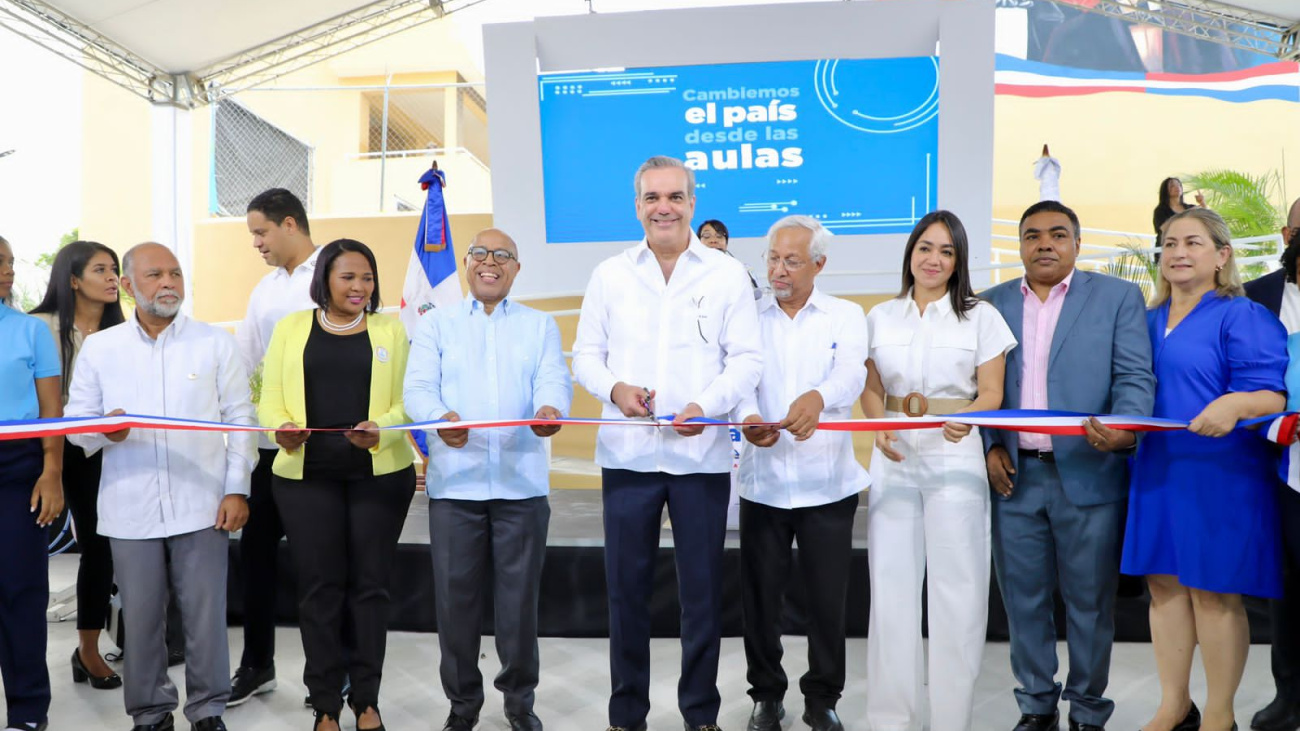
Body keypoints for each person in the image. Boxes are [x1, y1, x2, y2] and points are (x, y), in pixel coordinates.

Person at [572, 155, 763, 731]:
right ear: (637, 206)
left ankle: (699, 715)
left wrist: (706, 407)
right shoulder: (609, 274)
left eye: (675, 197)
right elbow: (585, 356)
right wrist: (615, 389)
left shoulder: (725, 274)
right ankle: (627, 715)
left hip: (699, 459)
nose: (664, 207)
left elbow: (748, 359)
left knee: (701, 594)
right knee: (625, 593)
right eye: (653, 197)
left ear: (692, 203)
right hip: (628, 456)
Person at [66, 242, 255, 731]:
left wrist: (237, 487)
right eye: (155, 275)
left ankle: (209, 710)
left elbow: (240, 418)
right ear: (128, 287)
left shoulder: (215, 343)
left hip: (204, 503)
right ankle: (150, 713)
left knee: (205, 618)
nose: (168, 283)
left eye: (175, 273)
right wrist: (103, 430)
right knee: (143, 620)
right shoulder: (102, 348)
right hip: (130, 508)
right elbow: (75, 424)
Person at [981, 200, 1155, 731]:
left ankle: (1086, 710)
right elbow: (981, 388)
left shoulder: (1117, 297)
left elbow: (1134, 375)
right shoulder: (990, 304)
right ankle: (1035, 707)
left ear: (1077, 244)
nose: (1045, 245)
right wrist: (990, 443)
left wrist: (1126, 427)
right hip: (1015, 477)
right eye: (1032, 236)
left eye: (1058, 235)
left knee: (1089, 604)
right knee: (1023, 603)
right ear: (1021, 245)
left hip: (1090, 472)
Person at [1124, 207, 1287, 731]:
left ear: (1222, 256)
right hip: (1156, 468)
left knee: (1215, 589)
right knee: (1165, 585)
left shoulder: (1242, 316)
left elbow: (1272, 394)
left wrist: (1235, 406)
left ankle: (1219, 715)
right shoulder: (1143, 321)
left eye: (1192, 243)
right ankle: (1174, 705)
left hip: (1221, 473)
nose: (1178, 253)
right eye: (1169, 244)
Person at [405, 228, 572, 731]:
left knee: (519, 606)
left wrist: (551, 408)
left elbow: (553, 379)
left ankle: (519, 702)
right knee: (456, 605)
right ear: (466, 263)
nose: (490, 262)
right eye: (480, 253)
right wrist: (439, 417)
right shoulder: (438, 324)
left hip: (521, 487)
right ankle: (462, 706)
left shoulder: (540, 325)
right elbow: (417, 388)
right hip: (456, 488)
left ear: (516, 269)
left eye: (503, 255)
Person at [860, 210, 1016, 731]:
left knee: (959, 590)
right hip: (894, 456)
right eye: (925, 247)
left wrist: (967, 416)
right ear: (910, 252)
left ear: (959, 261)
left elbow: (991, 392)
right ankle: (891, 720)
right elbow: (871, 386)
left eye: (946, 251)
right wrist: (876, 423)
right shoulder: (881, 316)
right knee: (891, 587)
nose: (934, 259)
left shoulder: (982, 316)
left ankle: (952, 720)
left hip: (956, 455)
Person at [259, 238, 415, 731]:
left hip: (379, 477)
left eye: (367, 278)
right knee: (320, 590)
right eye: (348, 277)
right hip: (305, 479)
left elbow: (410, 399)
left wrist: (380, 428)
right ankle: (325, 702)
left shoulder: (391, 329)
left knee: (370, 589)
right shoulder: (291, 328)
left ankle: (366, 700)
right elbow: (270, 399)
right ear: (325, 278)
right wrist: (279, 431)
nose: (359, 286)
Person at [735, 215, 868, 731]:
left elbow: (851, 372)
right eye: (772, 258)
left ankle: (823, 698)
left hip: (827, 483)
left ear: (819, 264)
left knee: (826, 600)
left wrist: (818, 397)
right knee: (760, 598)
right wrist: (747, 418)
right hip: (763, 482)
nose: (779, 270)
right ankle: (766, 694)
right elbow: (737, 376)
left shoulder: (845, 315)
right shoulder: (748, 318)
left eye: (792, 260)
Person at [229, 187, 320, 706]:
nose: (256, 243)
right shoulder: (263, 290)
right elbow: (247, 362)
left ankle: (328, 673)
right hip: (269, 450)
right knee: (257, 556)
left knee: (319, 565)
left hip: (320, 449)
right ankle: (257, 664)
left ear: (290, 224)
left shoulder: (335, 273)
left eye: (261, 232)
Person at [28, 240, 126, 691]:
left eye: (115, 270)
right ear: (72, 279)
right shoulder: (38, 327)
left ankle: (88, 648)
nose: (112, 278)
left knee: (100, 546)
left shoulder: (123, 332)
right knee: (28, 550)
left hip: (97, 450)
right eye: (101, 270)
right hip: (40, 449)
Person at [0, 234, 64, 731]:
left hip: (18, 468)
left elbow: (51, 413)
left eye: (9, 262)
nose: (8, 271)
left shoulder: (31, 332)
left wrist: (52, 472)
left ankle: (28, 710)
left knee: (22, 591)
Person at [1245, 196, 1300, 731]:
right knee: (1288, 586)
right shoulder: (1255, 298)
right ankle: (1290, 696)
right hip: (1280, 468)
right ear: (1287, 234)